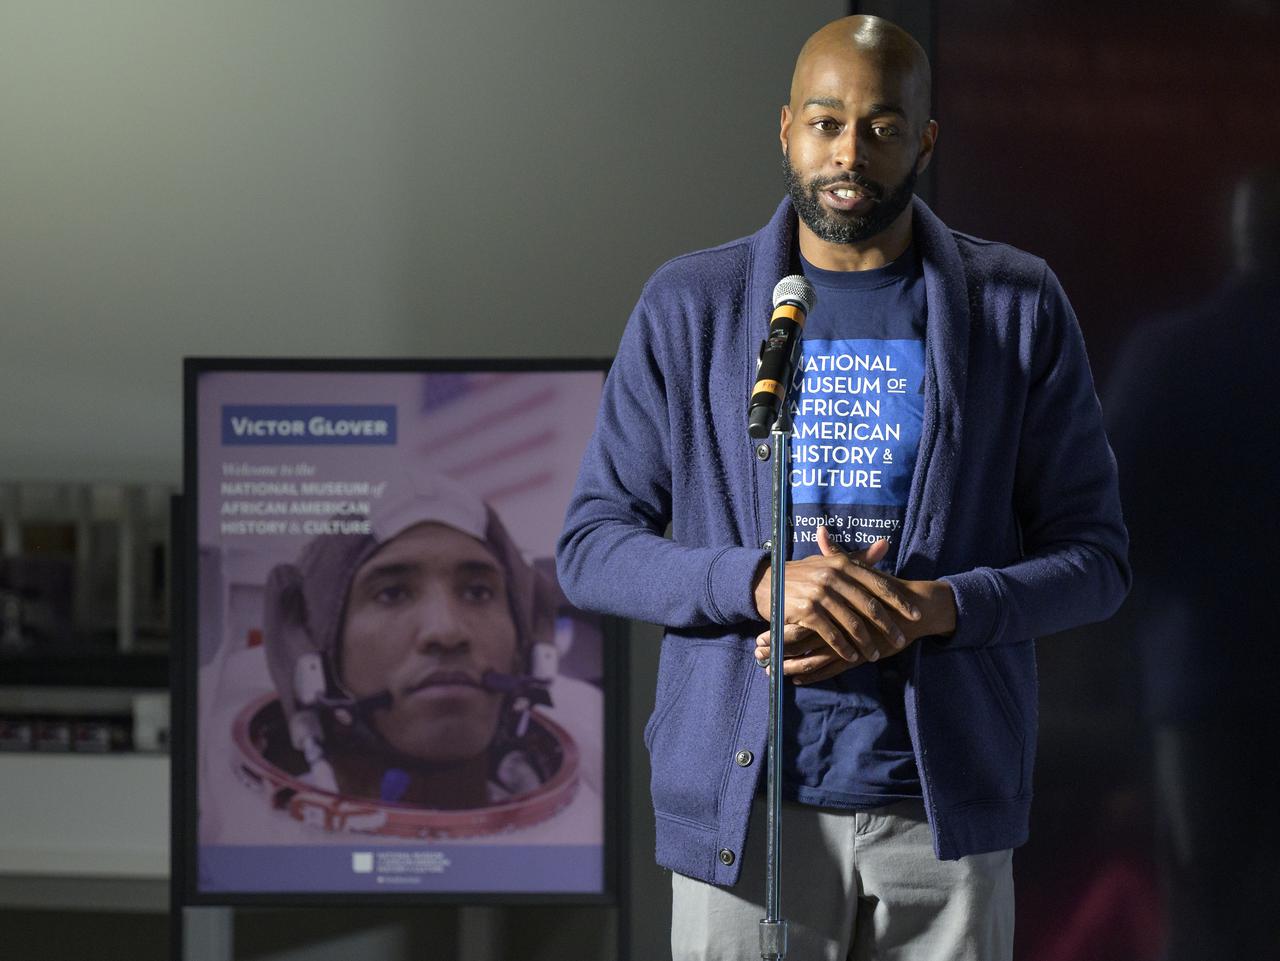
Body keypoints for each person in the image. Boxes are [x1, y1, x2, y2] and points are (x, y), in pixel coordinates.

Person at [557, 14, 1129, 961]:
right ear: (785, 128)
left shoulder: (1015, 305)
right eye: (826, 123)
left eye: (882, 125)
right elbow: (592, 547)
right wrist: (757, 586)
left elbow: (1097, 562)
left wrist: (935, 607)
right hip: (747, 814)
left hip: (941, 817)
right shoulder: (690, 305)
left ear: (926, 140)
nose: (849, 153)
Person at [200, 471, 602, 846]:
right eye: (391, 593)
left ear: (529, 642)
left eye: (478, 592)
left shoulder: (597, 792)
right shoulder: (221, 817)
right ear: (313, 651)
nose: (446, 632)